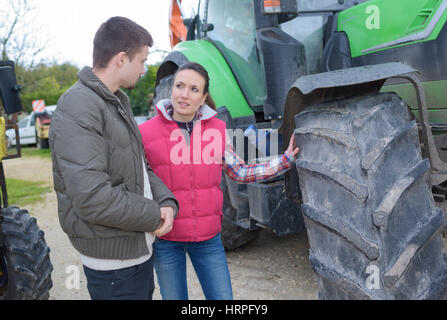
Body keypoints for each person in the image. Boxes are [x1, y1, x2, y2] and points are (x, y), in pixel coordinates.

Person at [139, 62, 299, 300]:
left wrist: (285, 160)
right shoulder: (146, 132)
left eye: (194, 89)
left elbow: (240, 173)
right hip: (165, 237)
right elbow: (139, 183)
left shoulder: (217, 130)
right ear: (171, 89)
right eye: (179, 86)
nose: (184, 95)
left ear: (203, 97)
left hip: (207, 238)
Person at [49, 16, 179, 300]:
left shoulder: (116, 101)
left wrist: (166, 201)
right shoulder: (79, 106)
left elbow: (140, 167)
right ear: (122, 59)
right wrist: (153, 214)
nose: (145, 69)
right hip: (113, 268)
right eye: (142, 61)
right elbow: (92, 198)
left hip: (135, 253)